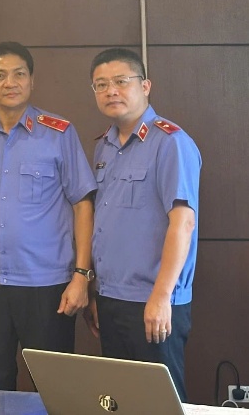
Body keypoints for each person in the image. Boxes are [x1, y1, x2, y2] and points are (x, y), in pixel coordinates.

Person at [0, 41, 97, 390]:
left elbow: (82, 204)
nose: (10, 83)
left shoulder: (58, 133)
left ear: (32, 80)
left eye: (18, 74)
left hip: (46, 284)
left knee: (55, 388)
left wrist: (81, 276)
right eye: (0, 75)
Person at [84, 48, 200, 401]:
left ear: (145, 86)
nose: (111, 91)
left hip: (153, 300)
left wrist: (162, 296)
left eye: (121, 81)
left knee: (158, 403)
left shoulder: (171, 142)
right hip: (111, 298)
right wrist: (96, 291)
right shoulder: (103, 147)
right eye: (101, 84)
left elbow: (183, 223)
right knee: (119, 401)